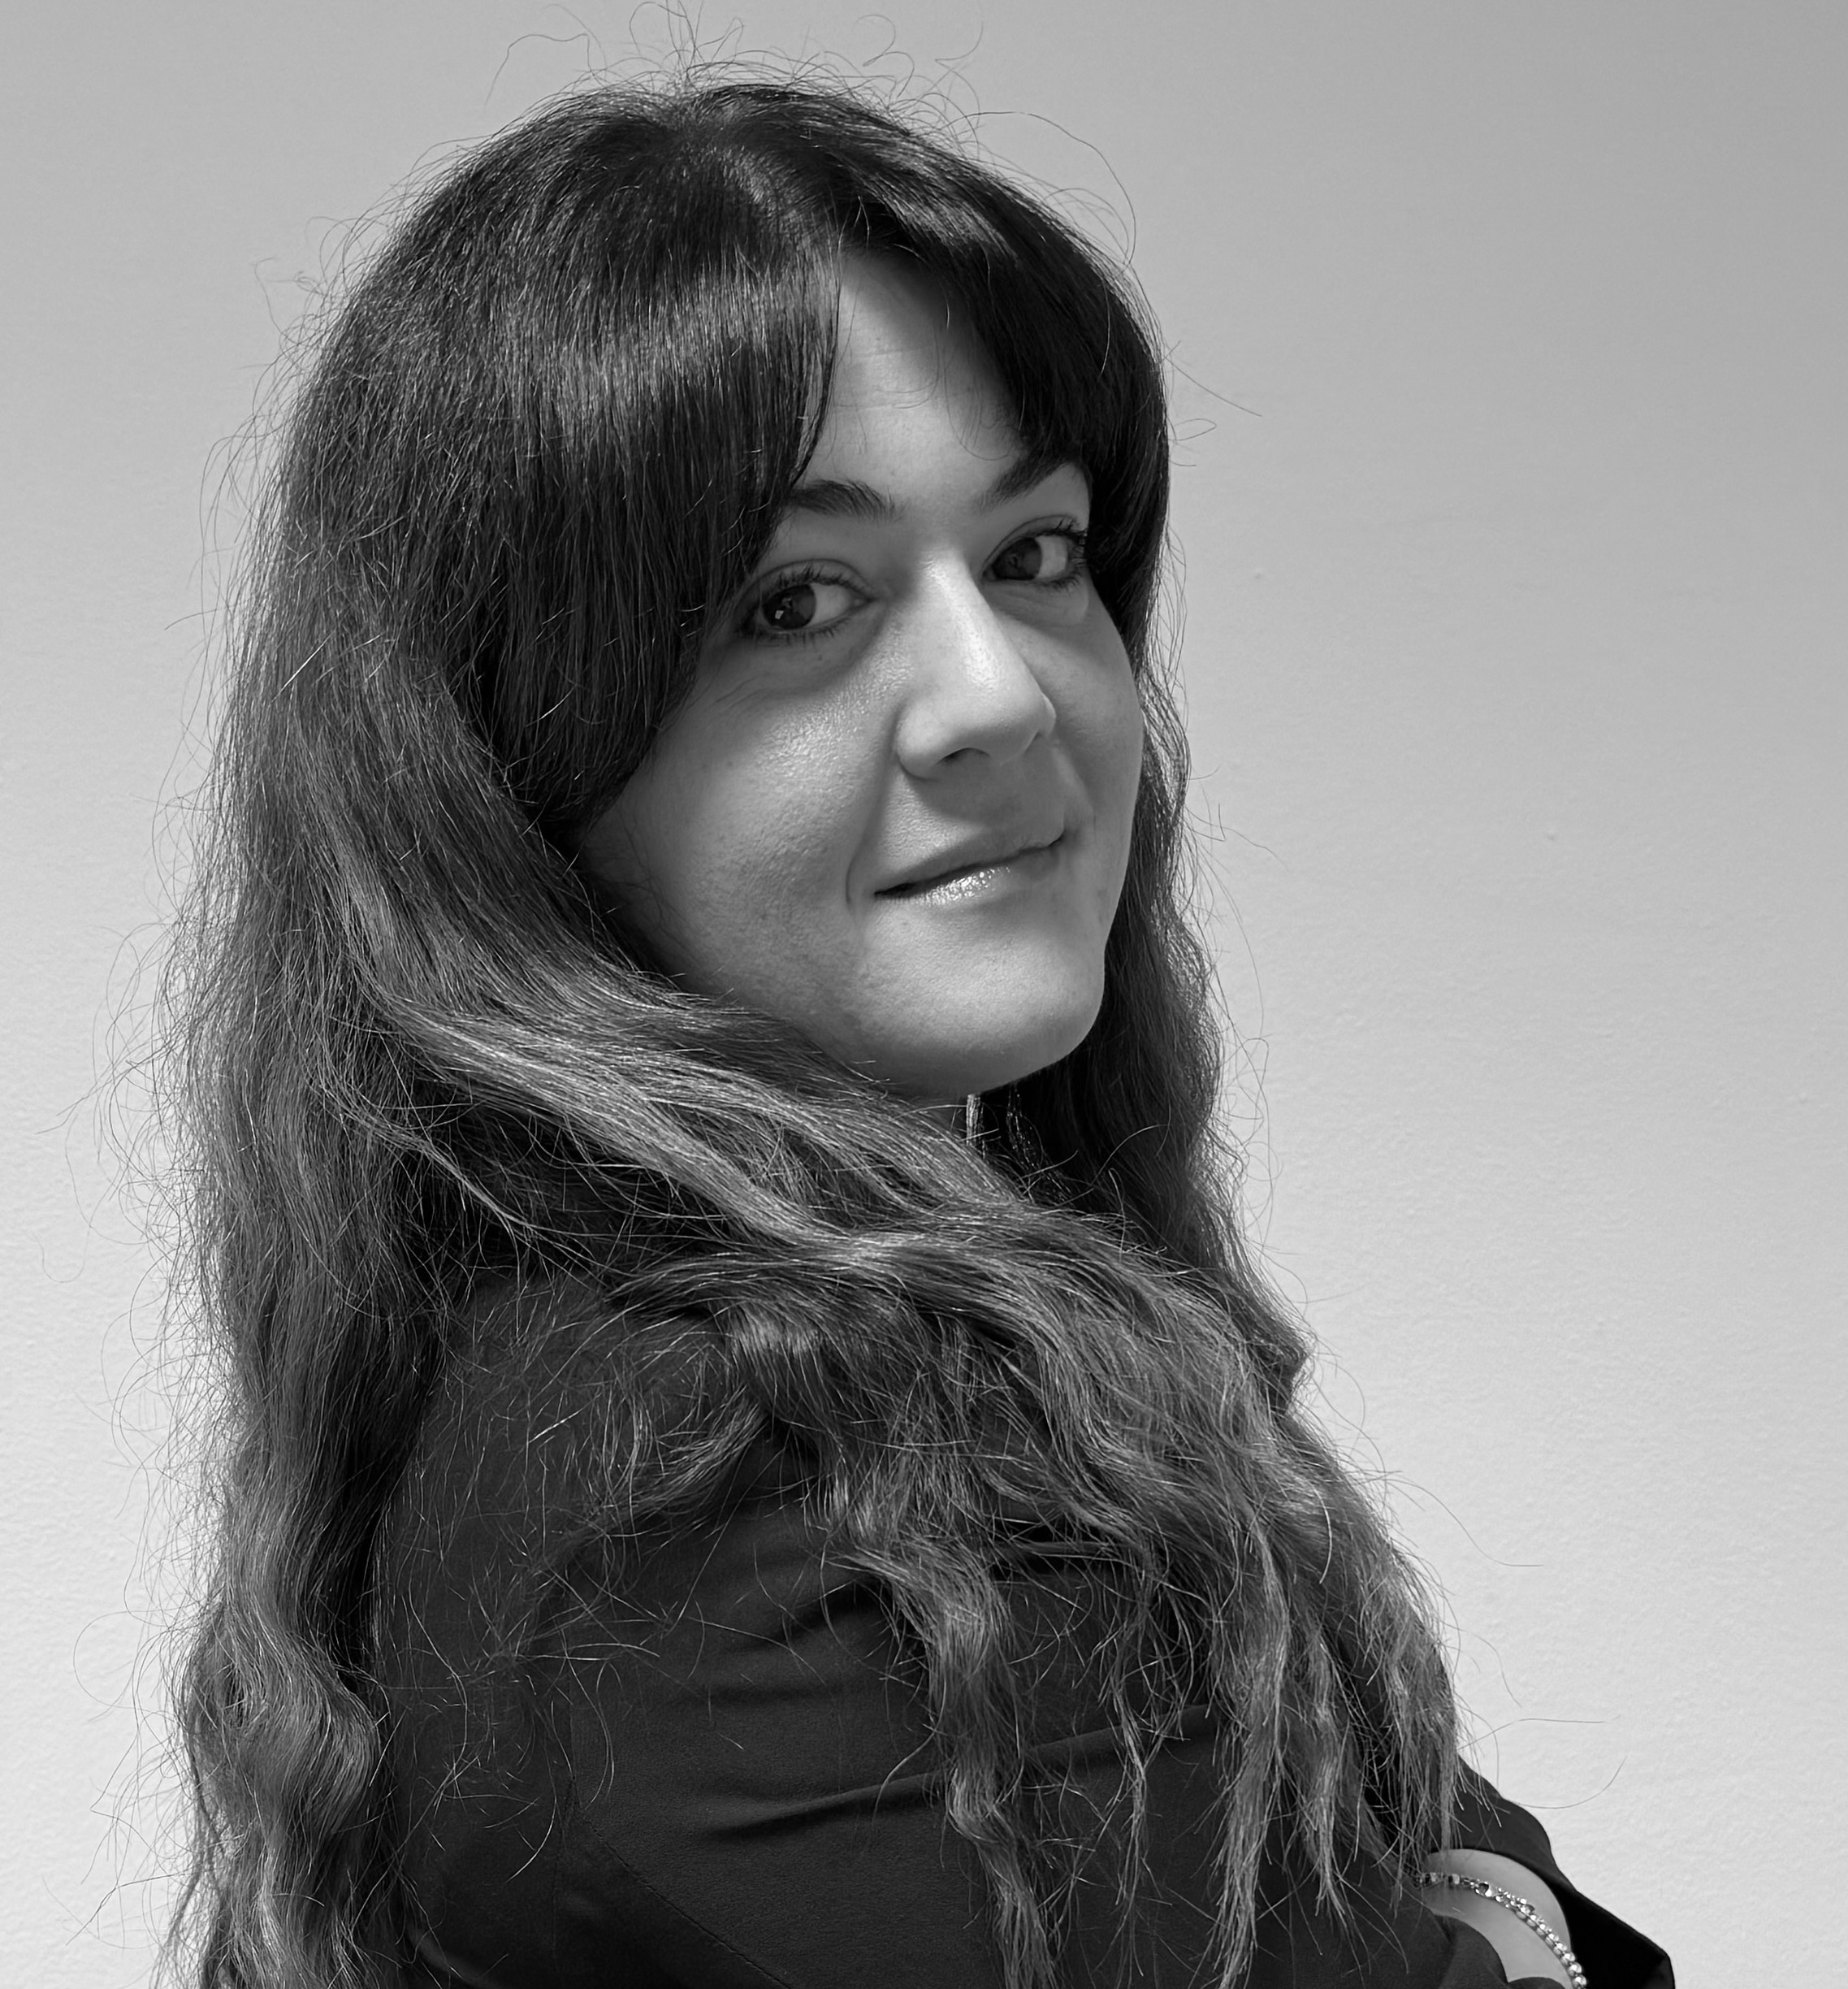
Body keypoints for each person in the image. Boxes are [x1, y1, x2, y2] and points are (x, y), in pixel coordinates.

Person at [159, 73, 1673, 1989]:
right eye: (798, 599)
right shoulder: (722, 1487)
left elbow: (1447, 1890)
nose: (1000, 699)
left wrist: (1469, 1903)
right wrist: (1483, 1908)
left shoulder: (813, 1362)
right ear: (516, 755)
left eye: (1035, 555)